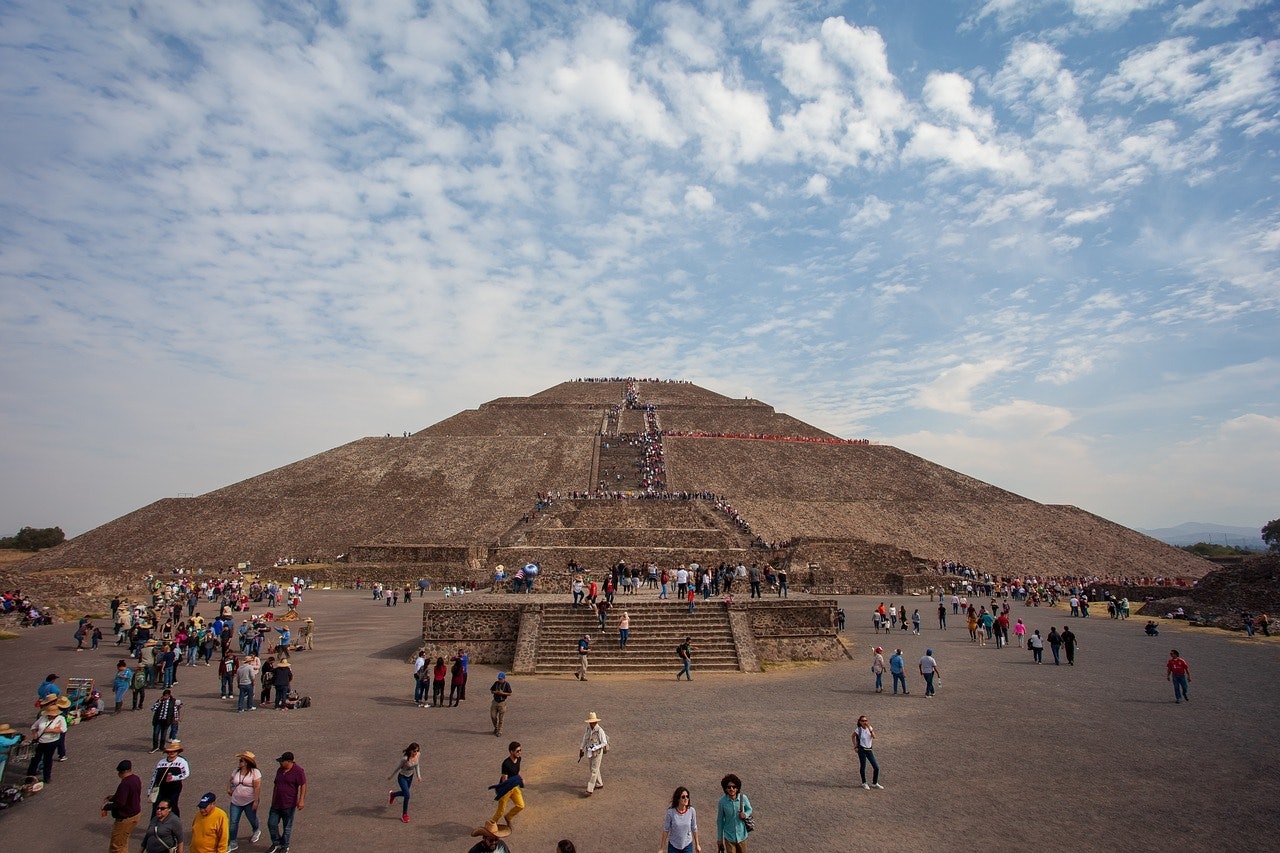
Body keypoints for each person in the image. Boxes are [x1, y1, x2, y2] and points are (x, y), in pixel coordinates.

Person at [267, 751, 306, 853]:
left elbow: (303, 785)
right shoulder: (280, 770)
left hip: (288, 804)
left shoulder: (298, 771)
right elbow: (276, 785)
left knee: (287, 827)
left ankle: (285, 846)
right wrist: (273, 799)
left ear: (289, 761)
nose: (280, 763)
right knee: (272, 824)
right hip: (276, 804)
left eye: (282, 761)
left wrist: (301, 800)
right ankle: (276, 842)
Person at [103, 758, 143, 853]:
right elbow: (128, 795)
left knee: (116, 847)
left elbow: (121, 803)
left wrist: (106, 807)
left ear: (120, 772)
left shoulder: (124, 784)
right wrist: (113, 797)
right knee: (123, 843)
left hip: (125, 818)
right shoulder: (136, 778)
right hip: (135, 815)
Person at [27, 695, 67, 784]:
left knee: (47, 760)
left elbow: (63, 730)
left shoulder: (61, 719)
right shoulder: (42, 718)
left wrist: (51, 730)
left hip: (52, 742)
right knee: (35, 759)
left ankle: (46, 777)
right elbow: (34, 726)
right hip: (40, 741)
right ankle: (29, 778)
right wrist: (34, 734)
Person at [228, 751, 262, 851]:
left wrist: (255, 801)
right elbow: (230, 780)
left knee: (252, 818)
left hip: (249, 801)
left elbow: (257, 787)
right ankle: (233, 842)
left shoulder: (255, 773)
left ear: (247, 762)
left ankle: (256, 830)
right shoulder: (236, 771)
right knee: (233, 822)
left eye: (241, 760)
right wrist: (229, 789)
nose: (239, 762)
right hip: (236, 801)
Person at [489, 741, 524, 830]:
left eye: (520, 750)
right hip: (506, 788)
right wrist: (509, 788)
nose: (519, 752)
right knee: (500, 811)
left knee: (521, 805)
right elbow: (504, 779)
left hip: (514, 787)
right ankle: (491, 824)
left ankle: (508, 817)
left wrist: (520, 778)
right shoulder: (506, 763)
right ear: (511, 752)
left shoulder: (519, 759)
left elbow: (518, 771)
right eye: (517, 751)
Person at [152, 740, 190, 817]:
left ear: (178, 752)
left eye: (174, 751)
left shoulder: (182, 761)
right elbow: (154, 776)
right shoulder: (161, 762)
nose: (171, 753)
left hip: (174, 789)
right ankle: (154, 825)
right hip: (161, 788)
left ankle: (175, 824)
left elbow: (186, 773)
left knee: (172, 805)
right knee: (156, 806)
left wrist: (174, 778)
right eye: (169, 751)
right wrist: (150, 790)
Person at [715, 774, 752, 853]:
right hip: (729, 837)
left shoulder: (743, 798)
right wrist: (719, 839)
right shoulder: (722, 802)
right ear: (725, 788)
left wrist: (745, 814)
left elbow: (749, 809)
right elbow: (720, 820)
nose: (731, 789)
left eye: (734, 787)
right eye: (729, 787)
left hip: (742, 836)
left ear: (737, 788)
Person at [661, 785, 701, 853]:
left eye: (687, 796)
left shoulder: (691, 811)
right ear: (678, 799)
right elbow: (666, 829)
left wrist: (697, 845)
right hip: (673, 846)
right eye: (683, 797)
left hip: (687, 845)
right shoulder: (671, 812)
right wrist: (661, 848)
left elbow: (694, 828)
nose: (686, 799)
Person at [387, 742, 422, 822]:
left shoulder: (418, 755)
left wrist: (418, 776)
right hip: (402, 777)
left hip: (410, 777)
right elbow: (398, 768)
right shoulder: (405, 759)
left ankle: (393, 794)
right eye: (414, 751)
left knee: (404, 793)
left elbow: (417, 765)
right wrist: (391, 776)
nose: (415, 753)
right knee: (407, 795)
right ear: (410, 751)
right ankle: (404, 814)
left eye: (417, 751)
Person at [579, 711, 608, 796]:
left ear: (596, 722)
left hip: (597, 752)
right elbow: (585, 738)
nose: (591, 724)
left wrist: (595, 748)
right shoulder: (588, 728)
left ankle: (589, 789)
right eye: (590, 722)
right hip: (589, 751)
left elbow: (604, 743)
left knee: (594, 771)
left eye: (592, 722)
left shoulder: (600, 730)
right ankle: (599, 784)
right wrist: (581, 748)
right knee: (593, 768)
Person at [853, 715, 882, 789]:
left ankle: (875, 783)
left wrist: (869, 728)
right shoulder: (858, 730)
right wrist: (855, 746)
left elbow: (874, 737)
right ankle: (864, 782)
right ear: (860, 722)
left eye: (866, 720)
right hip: (862, 750)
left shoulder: (870, 728)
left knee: (876, 767)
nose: (864, 722)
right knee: (863, 766)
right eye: (863, 721)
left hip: (869, 750)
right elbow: (853, 736)